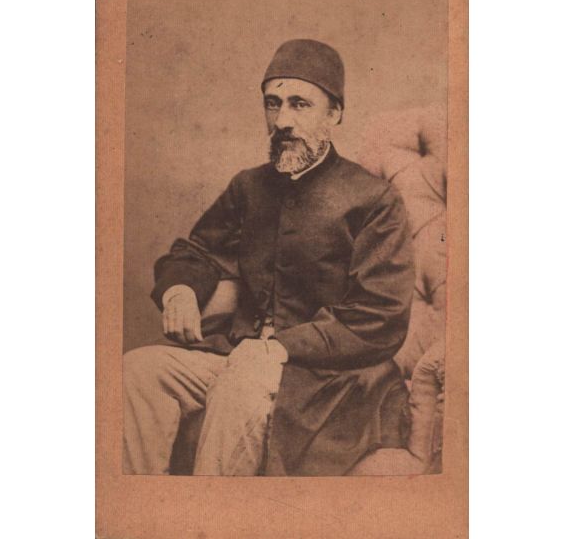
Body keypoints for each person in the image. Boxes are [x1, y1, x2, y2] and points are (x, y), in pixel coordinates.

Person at [123, 39, 415, 476]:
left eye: (300, 104)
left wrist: (279, 348)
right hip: (240, 354)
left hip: (327, 379)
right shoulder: (249, 187)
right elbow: (196, 251)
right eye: (273, 104)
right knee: (139, 372)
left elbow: (380, 316)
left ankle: (211, 513)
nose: (282, 121)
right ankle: (140, 508)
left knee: (241, 386)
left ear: (334, 114)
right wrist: (180, 289)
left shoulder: (374, 199)